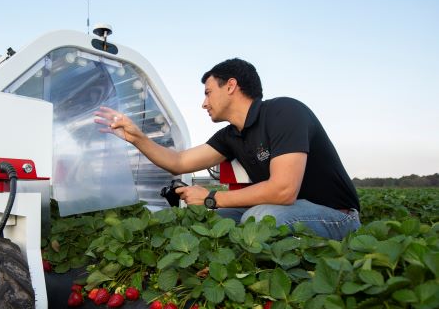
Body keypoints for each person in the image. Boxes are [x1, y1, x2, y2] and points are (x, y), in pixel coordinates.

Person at [94, 58, 360, 240]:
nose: (204, 103)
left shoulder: (285, 112)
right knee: (208, 221)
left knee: (260, 217)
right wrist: (137, 138)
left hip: (336, 215)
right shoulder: (231, 135)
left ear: (230, 86)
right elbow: (178, 161)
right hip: (286, 209)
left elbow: (283, 190)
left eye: (208, 92)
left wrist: (211, 197)